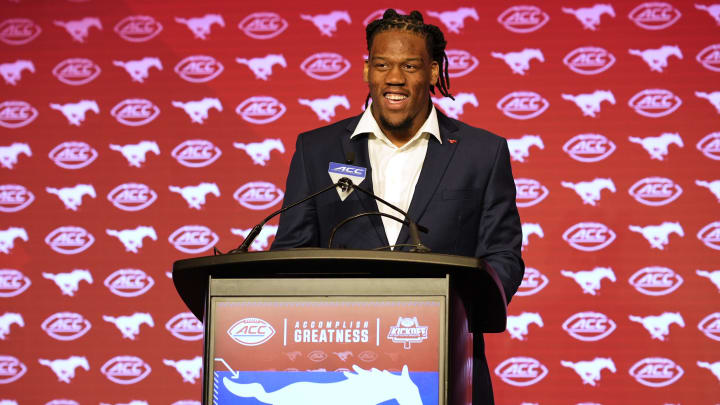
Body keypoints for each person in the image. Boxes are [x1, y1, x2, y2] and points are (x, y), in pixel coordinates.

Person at [271, 9, 524, 404]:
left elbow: (503, 258)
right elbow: (290, 252)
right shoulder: (316, 148)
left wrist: (456, 314)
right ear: (366, 70)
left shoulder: (482, 152)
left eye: (410, 66)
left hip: (447, 363)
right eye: (382, 64)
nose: (394, 78)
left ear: (434, 72)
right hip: (336, 369)